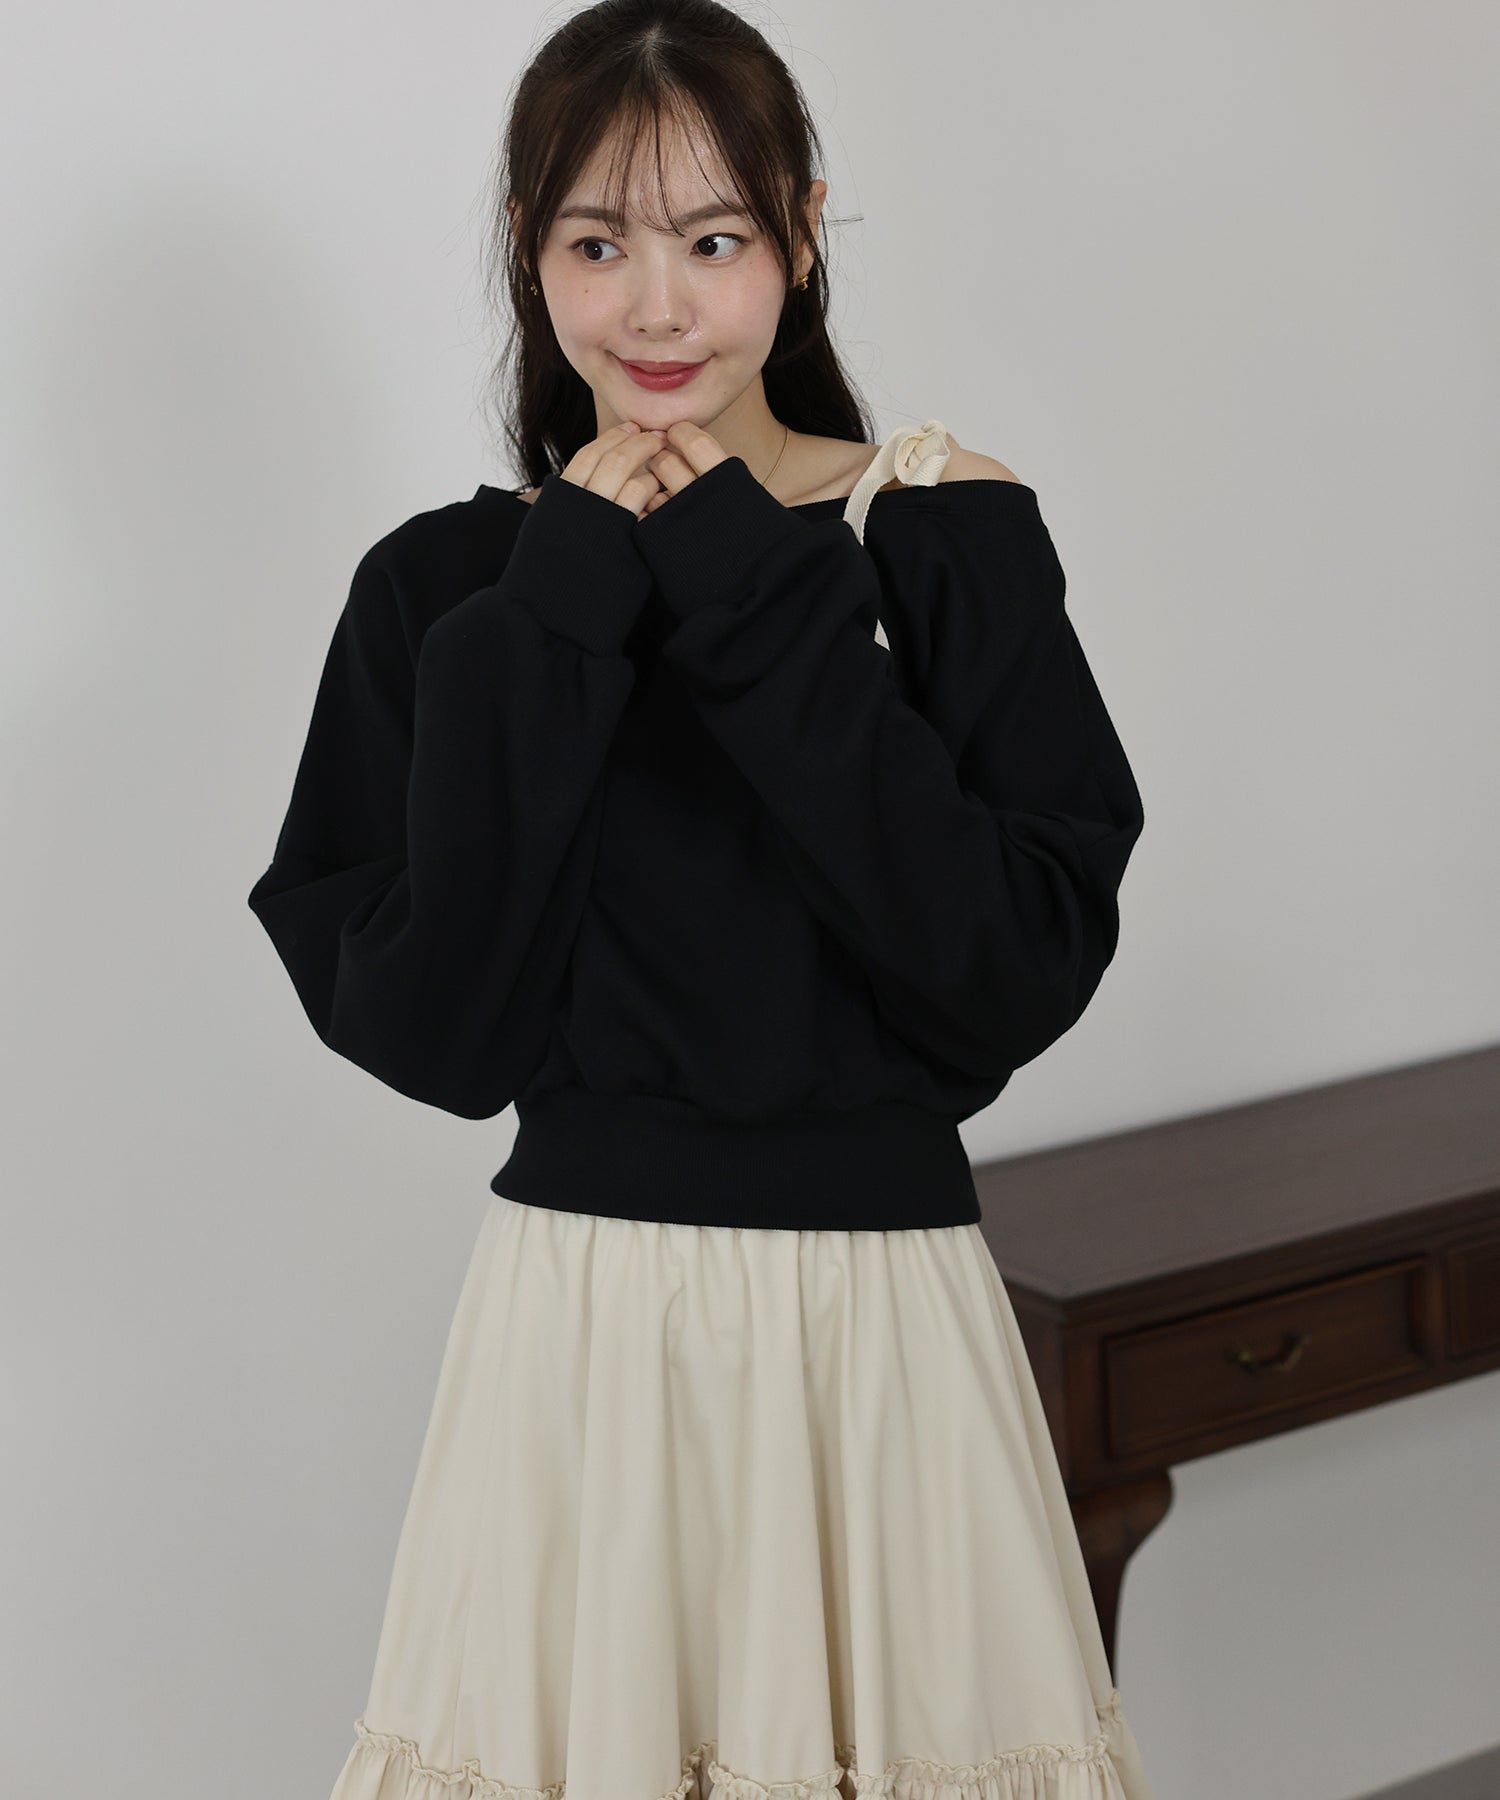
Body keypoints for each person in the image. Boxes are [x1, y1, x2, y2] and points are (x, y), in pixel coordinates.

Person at [245, 2, 1153, 1795]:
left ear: (799, 239)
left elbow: (1007, 969)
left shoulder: (935, 534)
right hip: (577, 1329)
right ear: (532, 253)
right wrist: (563, 607)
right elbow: (437, 1030)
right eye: (599, 244)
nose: (657, 307)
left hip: (879, 1333)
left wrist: (744, 582)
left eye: (714, 241)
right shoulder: (450, 592)